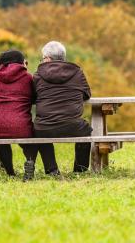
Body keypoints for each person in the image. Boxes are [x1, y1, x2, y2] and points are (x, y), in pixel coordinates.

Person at [33, 41, 92, 173]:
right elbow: (87, 95)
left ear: (47, 58)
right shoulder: (77, 73)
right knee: (86, 130)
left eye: (43, 58)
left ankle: (52, 170)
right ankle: (80, 170)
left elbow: (32, 97)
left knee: (38, 130)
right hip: (73, 125)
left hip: (45, 126)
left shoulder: (38, 75)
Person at [0, 49, 38, 181]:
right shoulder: (27, 77)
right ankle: (30, 162)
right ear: (20, 63)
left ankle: (10, 173)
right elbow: (35, 97)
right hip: (19, 126)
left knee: (1, 139)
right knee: (34, 140)